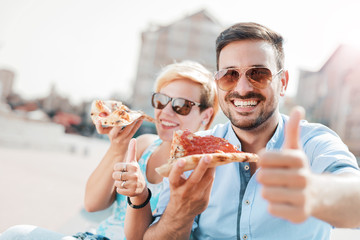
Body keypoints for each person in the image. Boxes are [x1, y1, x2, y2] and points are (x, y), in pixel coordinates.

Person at [129, 22, 360, 240]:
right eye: (230, 75)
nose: (242, 88)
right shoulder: (192, 149)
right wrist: (181, 213)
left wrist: (313, 191)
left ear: (284, 83)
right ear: (218, 82)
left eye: (259, 74)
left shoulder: (314, 142)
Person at [0, 60, 218, 240]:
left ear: (206, 116)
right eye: (161, 101)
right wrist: (117, 147)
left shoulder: (202, 168)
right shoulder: (143, 145)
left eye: (182, 105)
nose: (166, 112)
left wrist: (140, 193)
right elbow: (92, 203)